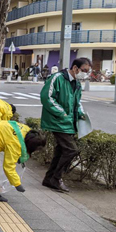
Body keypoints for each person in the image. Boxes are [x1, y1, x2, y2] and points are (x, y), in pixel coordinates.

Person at [40, 57, 90, 193]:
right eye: (84, 70)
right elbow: (46, 97)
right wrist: (61, 113)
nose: (85, 73)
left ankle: (49, 179)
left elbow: (77, 102)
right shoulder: (57, 78)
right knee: (71, 150)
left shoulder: (77, 84)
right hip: (58, 121)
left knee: (61, 150)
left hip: (67, 122)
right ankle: (56, 178)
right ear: (75, 68)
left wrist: (80, 113)